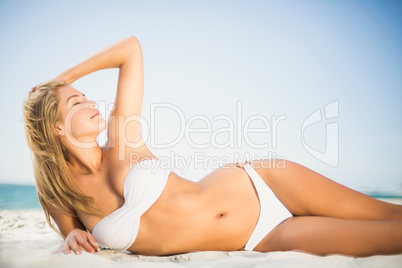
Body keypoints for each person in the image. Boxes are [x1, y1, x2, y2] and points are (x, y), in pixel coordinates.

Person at [23, 36, 402, 257]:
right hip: (261, 240)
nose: (90, 102)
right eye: (75, 103)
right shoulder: (63, 191)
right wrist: (70, 234)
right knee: (389, 240)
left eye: (85, 96)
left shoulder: (122, 137)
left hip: (262, 183)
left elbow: (130, 49)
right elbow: (71, 233)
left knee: (390, 218)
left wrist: (61, 80)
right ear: (55, 128)